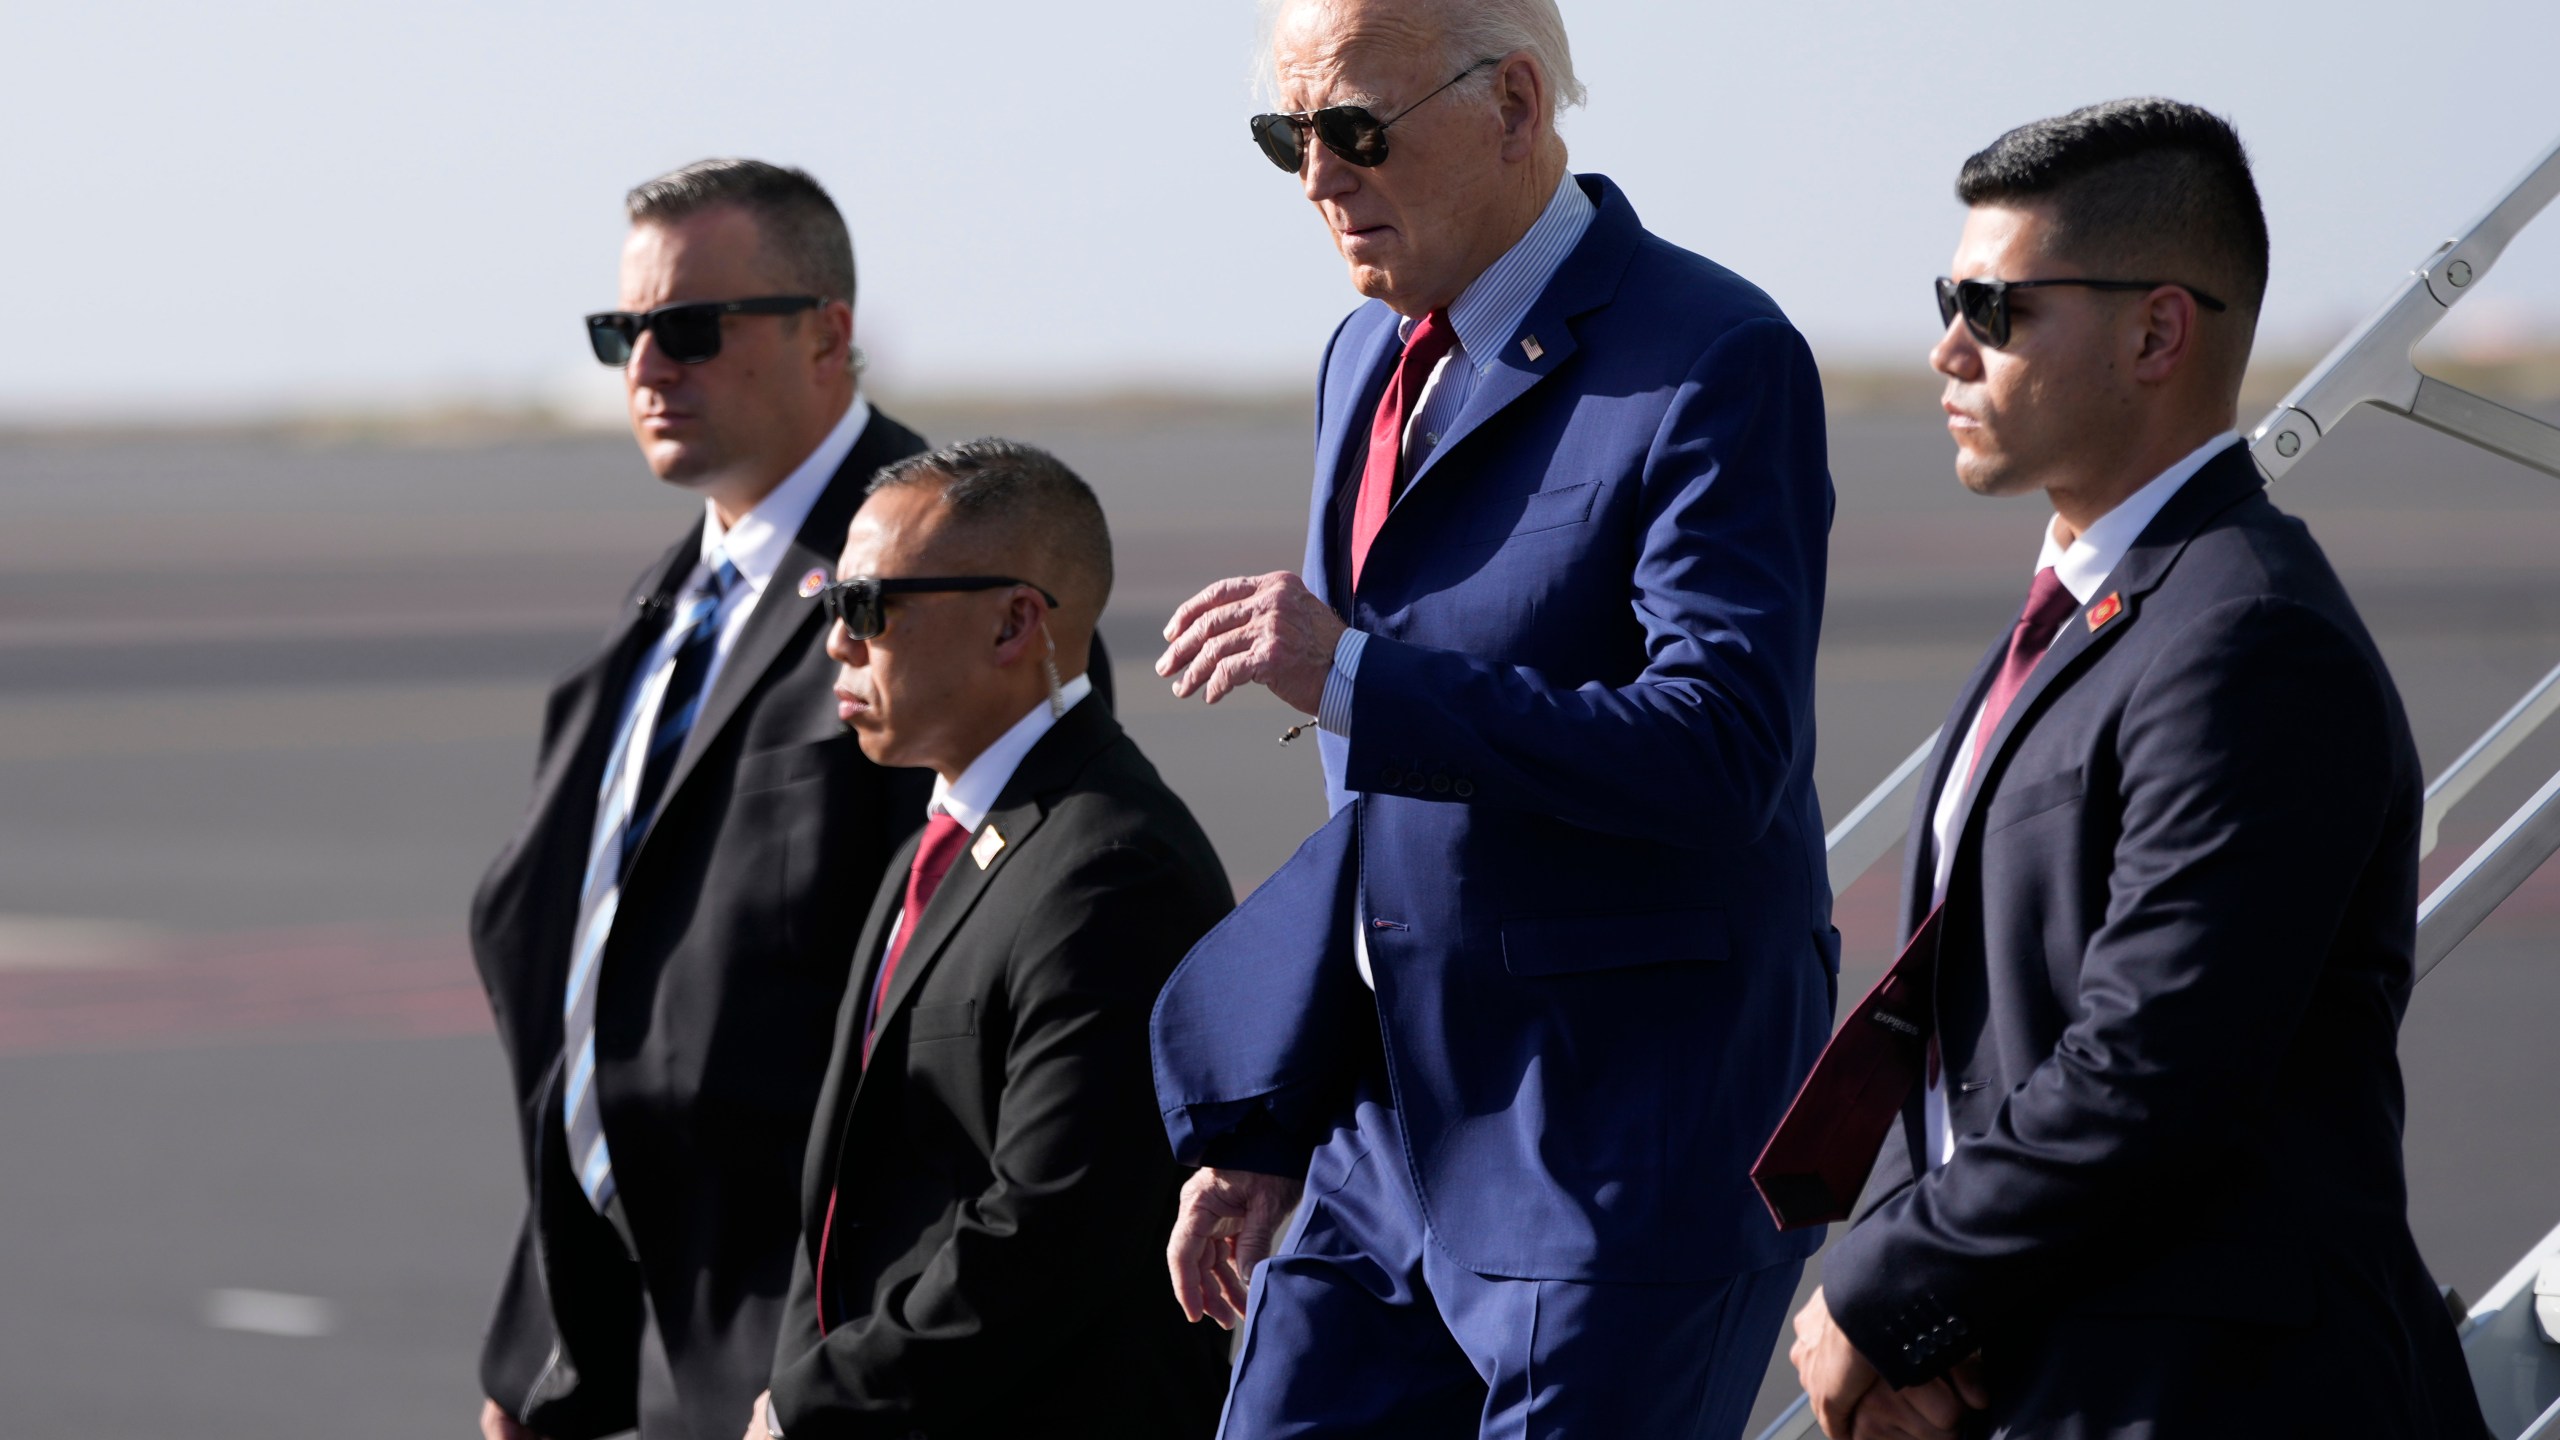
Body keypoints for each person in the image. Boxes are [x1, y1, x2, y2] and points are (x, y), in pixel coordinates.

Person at [1147, 1, 1837, 1434]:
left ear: (1515, 106)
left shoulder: (1712, 354)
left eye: (1354, 129)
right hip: (1384, 1136)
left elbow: (1723, 746)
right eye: (1289, 137)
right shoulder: (1365, 358)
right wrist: (1282, 1107)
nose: (1319, 178)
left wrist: (1359, 675)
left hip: (1614, 1157)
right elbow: (1380, 814)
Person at [1777, 100, 2491, 1439]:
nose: (1944, 349)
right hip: (2066, 1369)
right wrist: (1929, 1321)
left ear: (2158, 331)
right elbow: (1993, 1057)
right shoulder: (2098, 618)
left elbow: (2152, 1073)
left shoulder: (2249, 639)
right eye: (1949, 300)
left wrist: (1880, 1290)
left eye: (1992, 310)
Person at [473, 160, 1107, 1440]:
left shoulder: (948, 584)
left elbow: (999, 997)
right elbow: (590, 1002)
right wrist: (549, 1344)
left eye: (691, 329)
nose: (648, 367)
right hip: (628, 1357)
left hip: (820, 1363)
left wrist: (848, 1377)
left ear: (830, 335)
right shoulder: (665, 611)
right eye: (624, 334)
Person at [746, 439, 1232, 1440]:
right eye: (828, 601)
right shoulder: (949, 843)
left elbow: (1052, 1226)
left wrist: (823, 1402)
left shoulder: (1110, 867)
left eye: (868, 607)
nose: (836, 642)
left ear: (1016, 620)